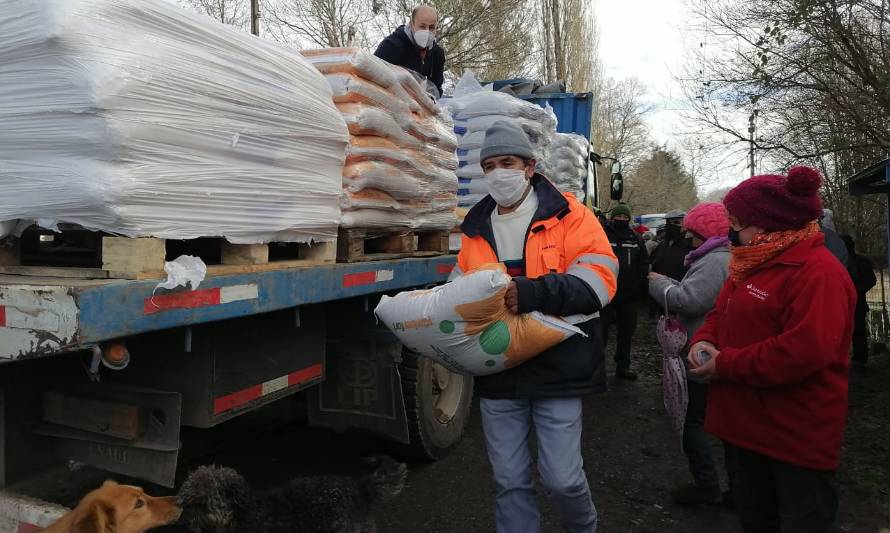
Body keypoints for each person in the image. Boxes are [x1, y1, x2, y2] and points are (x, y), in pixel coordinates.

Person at [452, 121, 618, 533]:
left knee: (563, 479)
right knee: (509, 481)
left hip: (559, 366)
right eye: (489, 165)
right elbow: (459, 287)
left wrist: (535, 293)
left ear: (529, 166)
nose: (497, 173)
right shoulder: (474, 229)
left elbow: (600, 280)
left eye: (506, 162)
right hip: (500, 368)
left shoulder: (571, 216)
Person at [688, 166, 856, 533]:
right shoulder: (750, 262)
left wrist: (725, 365)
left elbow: (804, 351)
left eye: (737, 222)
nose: (732, 230)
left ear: (766, 225)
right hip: (746, 429)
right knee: (756, 520)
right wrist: (705, 338)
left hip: (794, 438)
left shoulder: (818, 273)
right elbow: (722, 310)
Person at [648, 202, 731, 504]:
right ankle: (736, 489)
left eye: (694, 235)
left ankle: (706, 484)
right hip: (712, 350)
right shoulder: (722, 258)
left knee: (692, 420)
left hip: (701, 353)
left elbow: (690, 300)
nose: (690, 240)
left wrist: (659, 285)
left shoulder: (715, 261)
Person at [602, 204, 649, 380]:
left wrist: (638, 283)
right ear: (612, 217)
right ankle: (597, 368)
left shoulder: (636, 238)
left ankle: (623, 366)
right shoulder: (602, 235)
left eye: (625, 217)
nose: (621, 220)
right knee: (601, 332)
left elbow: (643, 262)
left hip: (629, 295)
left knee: (626, 332)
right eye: (618, 217)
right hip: (606, 292)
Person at [374, 5, 446, 97]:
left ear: (436, 28)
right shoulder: (392, 45)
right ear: (412, 25)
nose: (427, 32)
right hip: (389, 102)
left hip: (421, 106)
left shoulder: (437, 54)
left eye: (431, 27)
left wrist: (430, 100)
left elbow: (437, 88)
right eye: (422, 26)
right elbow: (372, 77)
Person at [843, 234, 877, 366]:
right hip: (841, 303)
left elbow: (871, 280)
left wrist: (857, 291)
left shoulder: (861, 261)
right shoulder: (838, 261)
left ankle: (860, 358)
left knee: (858, 330)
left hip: (858, 302)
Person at [650, 210, 693, 283]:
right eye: (669, 222)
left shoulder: (690, 245)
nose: (671, 225)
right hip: (658, 287)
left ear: (685, 225)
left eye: (676, 223)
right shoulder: (662, 244)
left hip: (678, 289)